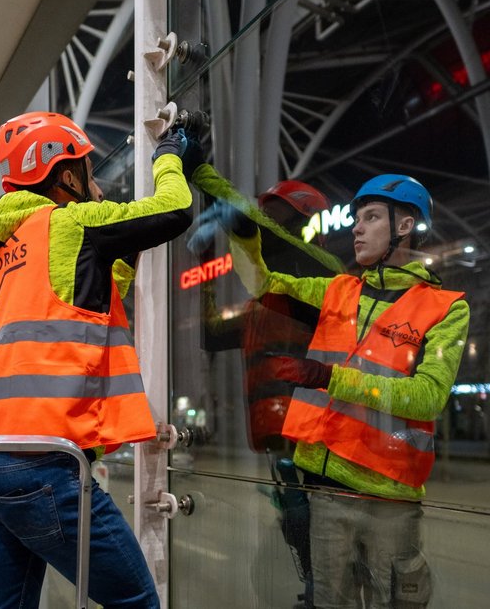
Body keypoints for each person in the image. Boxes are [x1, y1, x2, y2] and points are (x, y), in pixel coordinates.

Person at [193, 169, 470, 608]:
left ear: (404, 226)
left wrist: (329, 377)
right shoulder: (339, 291)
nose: (357, 227)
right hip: (325, 487)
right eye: (357, 217)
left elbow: (428, 396)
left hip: (387, 496)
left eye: (373, 217)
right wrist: (244, 238)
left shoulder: (445, 309)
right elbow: (264, 283)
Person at [0, 111, 198, 608]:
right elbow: (174, 209)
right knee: (136, 602)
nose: (97, 184)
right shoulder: (70, 220)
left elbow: (81, 302)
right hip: (43, 467)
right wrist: (170, 156)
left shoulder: (2, 254)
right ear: (66, 176)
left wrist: (124, 253)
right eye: (88, 171)